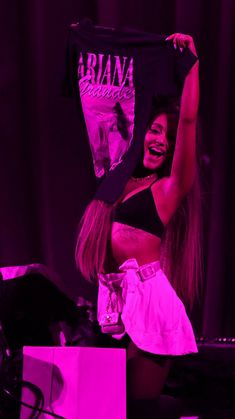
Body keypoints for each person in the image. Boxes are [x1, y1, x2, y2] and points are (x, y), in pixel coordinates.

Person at [75, 33, 201, 406]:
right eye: (155, 129)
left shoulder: (168, 190)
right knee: (104, 405)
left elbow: (190, 121)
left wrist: (192, 65)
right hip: (113, 300)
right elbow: (103, 108)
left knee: (137, 408)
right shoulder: (115, 178)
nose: (161, 139)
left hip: (150, 303)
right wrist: (83, 46)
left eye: (169, 136)